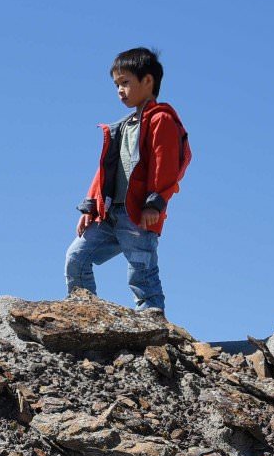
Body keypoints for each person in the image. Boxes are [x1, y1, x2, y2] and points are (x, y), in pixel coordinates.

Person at [65, 47, 191, 314]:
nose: (120, 90)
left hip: (138, 215)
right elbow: (104, 170)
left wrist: (154, 204)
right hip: (109, 213)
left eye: (126, 83)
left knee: (141, 274)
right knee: (76, 258)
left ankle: (153, 327)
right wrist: (90, 207)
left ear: (148, 81)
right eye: (116, 85)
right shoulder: (122, 126)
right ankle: (84, 315)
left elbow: (164, 164)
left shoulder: (161, 120)